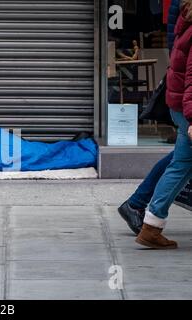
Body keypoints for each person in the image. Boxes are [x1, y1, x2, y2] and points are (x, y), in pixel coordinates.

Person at [118, 0, 180, 235]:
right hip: (184, 93)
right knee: (182, 159)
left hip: (182, 91)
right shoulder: (183, 8)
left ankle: (139, 207)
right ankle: (141, 210)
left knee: (182, 158)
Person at [135, 0, 192, 249]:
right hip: (187, 108)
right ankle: (150, 224)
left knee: (180, 166)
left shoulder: (185, 19)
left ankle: (151, 225)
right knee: (180, 166)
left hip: (180, 105)